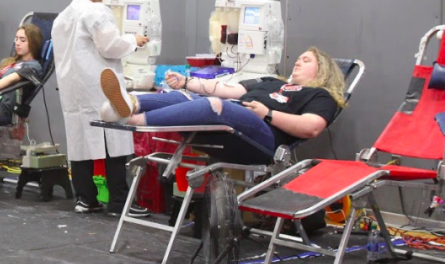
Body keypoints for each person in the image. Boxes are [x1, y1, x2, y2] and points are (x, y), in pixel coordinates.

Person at [99, 47, 346, 152]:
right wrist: (187, 82)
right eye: (298, 58)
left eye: (306, 60)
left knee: (214, 106)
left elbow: (312, 128)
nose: (298, 62)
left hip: (263, 138)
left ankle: (132, 120)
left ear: (323, 70)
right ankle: (129, 103)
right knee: (189, 97)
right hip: (232, 124)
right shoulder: (273, 82)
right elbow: (225, 89)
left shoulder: (320, 95)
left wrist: (267, 114)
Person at [52, 0, 150, 216]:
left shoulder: (62, 17)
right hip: (98, 85)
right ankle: (120, 202)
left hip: (73, 88)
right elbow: (109, 45)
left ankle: (85, 198)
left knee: (80, 140)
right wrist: (134, 40)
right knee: (114, 139)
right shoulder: (95, 11)